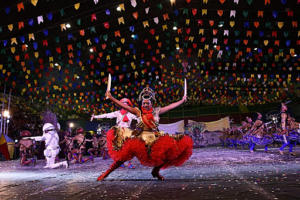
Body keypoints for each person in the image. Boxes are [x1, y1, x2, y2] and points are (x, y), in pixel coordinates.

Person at [97, 86, 193, 181]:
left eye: (147, 103)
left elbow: (170, 107)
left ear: (151, 103)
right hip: (141, 138)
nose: (145, 105)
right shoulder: (137, 112)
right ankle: (107, 173)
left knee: (169, 152)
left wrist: (182, 100)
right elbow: (123, 106)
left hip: (155, 137)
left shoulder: (156, 111)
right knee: (124, 156)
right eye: (144, 103)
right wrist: (111, 97)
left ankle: (156, 171)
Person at [91, 98, 138, 168]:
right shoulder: (117, 113)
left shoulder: (131, 114)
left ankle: (129, 163)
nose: (124, 106)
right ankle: (121, 162)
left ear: (128, 105)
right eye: (123, 104)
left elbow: (140, 118)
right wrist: (95, 116)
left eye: (126, 104)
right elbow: (106, 115)